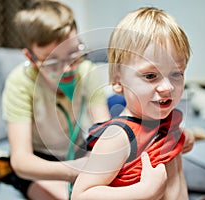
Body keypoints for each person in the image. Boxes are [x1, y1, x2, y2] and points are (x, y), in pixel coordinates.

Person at [72, 7, 192, 200]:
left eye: (176, 73)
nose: (167, 87)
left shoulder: (165, 119)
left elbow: (169, 137)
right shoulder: (118, 138)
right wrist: (142, 192)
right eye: (151, 76)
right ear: (118, 81)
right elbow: (81, 195)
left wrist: (186, 136)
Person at [1, 1, 111, 199]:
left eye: (74, 54)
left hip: (77, 151)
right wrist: (74, 172)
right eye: (52, 61)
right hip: (38, 162)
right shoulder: (20, 82)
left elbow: (104, 133)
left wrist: (96, 160)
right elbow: (21, 160)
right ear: (31, 58)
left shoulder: (87, 73)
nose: (68, 68)